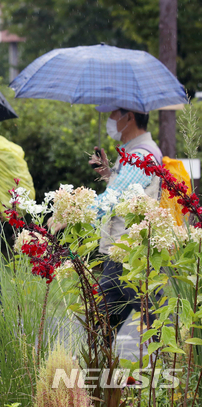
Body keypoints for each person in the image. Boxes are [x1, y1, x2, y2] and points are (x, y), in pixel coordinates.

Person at [88, 105, 161, 337]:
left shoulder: (140, 155)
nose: (110, 119)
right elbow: (130, 191)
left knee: (158, 325)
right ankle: (98, 367)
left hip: (130, 253)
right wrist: (109, 174)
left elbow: (113, 198)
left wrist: (71, 215)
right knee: (102, 325)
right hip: (122, 252)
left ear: (129, 117)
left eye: (113, 113)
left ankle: (178, 363)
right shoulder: (136, 152)